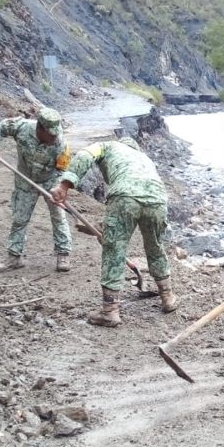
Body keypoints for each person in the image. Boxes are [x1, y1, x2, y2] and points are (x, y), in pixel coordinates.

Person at [49, 137, 178, 326]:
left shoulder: (107, 146)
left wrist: (64, 185)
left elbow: (84, 155)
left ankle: (109, 310)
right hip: (157, 199)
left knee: (114, 250)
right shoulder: (143, 158)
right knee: (155, 246)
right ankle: (167, 296)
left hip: (125, 197)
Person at [0, 107, 72, 273]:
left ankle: (63, 254)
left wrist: (59, 189)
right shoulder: (22, 127)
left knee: (58, 216)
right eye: (51, 134)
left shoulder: (61, 144)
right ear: (40, 128)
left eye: (56, 134)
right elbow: (3, 126)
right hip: (25, 179)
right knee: (20, 219)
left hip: (50, 181)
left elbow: (63, 170)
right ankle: (14, 257)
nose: (54, 137)